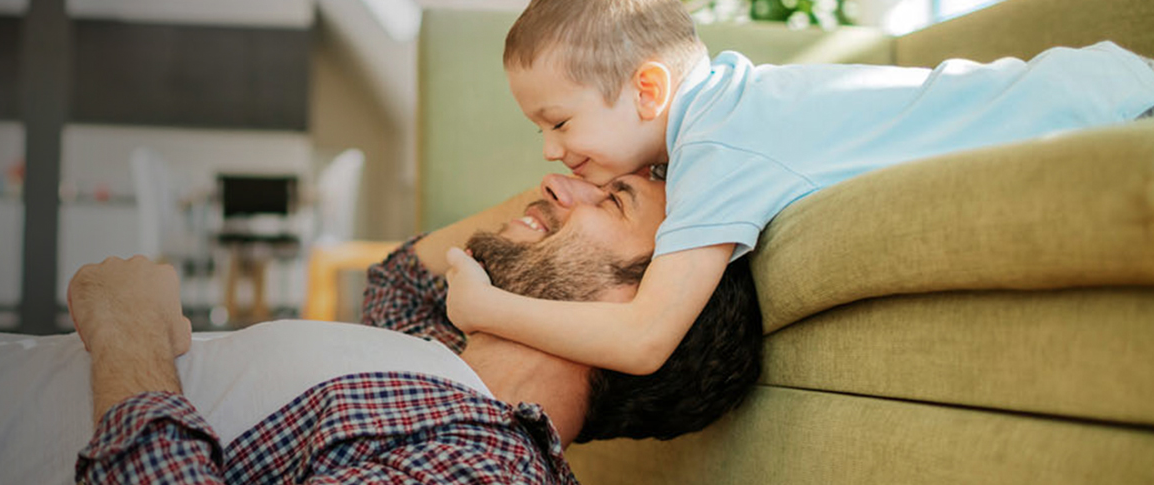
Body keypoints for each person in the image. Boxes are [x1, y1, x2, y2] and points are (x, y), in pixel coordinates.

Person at [0, 0, 762, 483]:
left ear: (630, 324)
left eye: (610, 207)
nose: (556, 185)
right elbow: (446, 253)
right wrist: (611, 154)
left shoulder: (473, 467)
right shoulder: (427, 344)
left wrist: (129, 348)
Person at [440, 0, 1154, 377]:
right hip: (1096, 86)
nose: (550, 150)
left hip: (1105, 113)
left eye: (558, 121)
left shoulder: (718, 146)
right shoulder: (738, 104)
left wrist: (488, 307)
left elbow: (644, 338)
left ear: (649, 89)